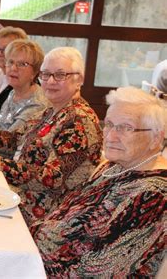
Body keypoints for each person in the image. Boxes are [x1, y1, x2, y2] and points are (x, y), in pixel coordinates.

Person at [31, 86, 166, 277]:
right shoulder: (114, 166)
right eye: (109, 124)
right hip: (33, 254)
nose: (110, 136)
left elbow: (99, 270)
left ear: (156, 138)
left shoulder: (154, 195)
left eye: (126, 128)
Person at [0, 47, 103, 224]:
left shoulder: (79, 120)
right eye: (46, 74)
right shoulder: (53, 110)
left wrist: (0, 163)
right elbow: (16, 140)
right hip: (20, 193)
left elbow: (52, 179)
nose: (50, 81)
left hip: (44, 212)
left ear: (79, 79)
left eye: (60, 75)